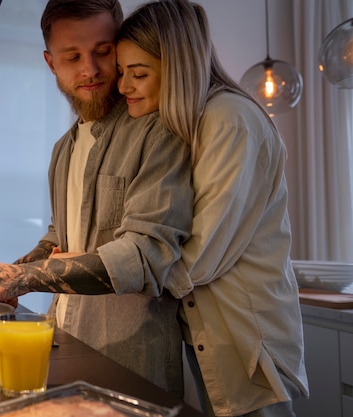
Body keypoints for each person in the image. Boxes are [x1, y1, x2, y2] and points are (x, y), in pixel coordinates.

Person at [0, 0, 192, 398]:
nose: (91, 69)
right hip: (65, 339)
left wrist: (23, 277)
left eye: (103, 51)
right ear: (51, 63)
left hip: (133, 361)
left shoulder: (157, 131)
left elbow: (146, 256)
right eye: (73, 57)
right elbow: (59, 236)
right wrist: (7, 275)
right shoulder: (62, 150)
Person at [115, 1, 309, 416]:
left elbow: (201, 256)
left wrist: (113, 273)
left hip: (246, 337)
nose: (123, 86)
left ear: (179, 67)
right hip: (216, 335)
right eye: (121, 72)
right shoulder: (195, 124)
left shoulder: (230, 120)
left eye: (139, 73)